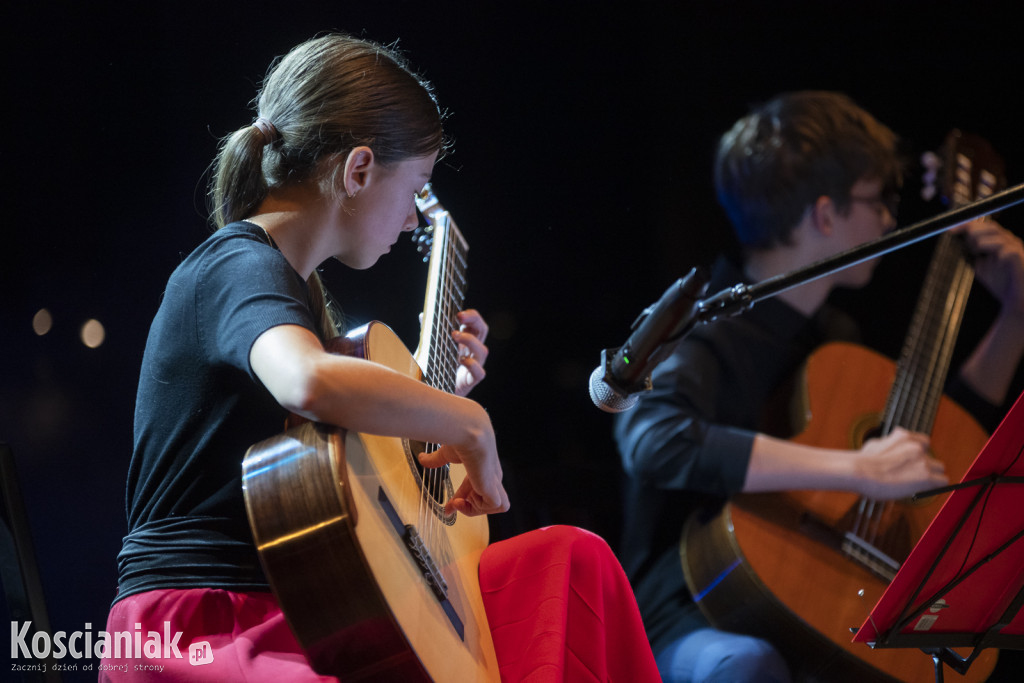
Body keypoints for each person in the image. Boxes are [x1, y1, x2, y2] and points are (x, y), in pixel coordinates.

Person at [102, 34, 660, 682]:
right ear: (359, 170)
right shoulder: (237, 261)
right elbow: (305, 380)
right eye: (416, 185)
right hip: (199, 622)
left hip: (297, 607)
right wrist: (465, 422)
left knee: (570, 560)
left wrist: (434, 393)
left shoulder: (297, 295)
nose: (410, 221)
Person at [614, 91, 1024, 683]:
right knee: (748, 667)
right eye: (879, 199)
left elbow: (923, 449)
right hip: (689, 607)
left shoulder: (834, 335)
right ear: (826, 215)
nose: (890, 220)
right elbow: (658, 441)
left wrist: (1015, 316)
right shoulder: (701, 326)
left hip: (805, 589)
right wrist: (853, 469)